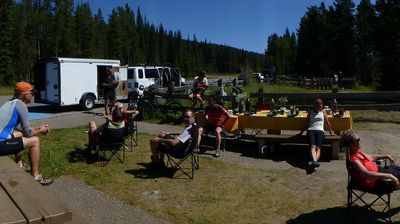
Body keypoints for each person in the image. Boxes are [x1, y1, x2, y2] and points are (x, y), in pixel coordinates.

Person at [0, 82, 53, 185]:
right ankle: (36, 176)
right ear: (25, 94)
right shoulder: (21, 105)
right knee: (35, 141)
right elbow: (28, 133)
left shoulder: (9, 103)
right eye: (31, 93)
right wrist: (41, 131)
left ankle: (19, 164)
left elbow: (22, 129)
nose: (33, 95)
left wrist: (37, 128)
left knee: (19, 134)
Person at [298, 98, 334, 169]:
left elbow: (327, 122)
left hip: (320, 131)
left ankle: (314, 161)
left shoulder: (323, 112)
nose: (318, 108)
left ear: (322, 106)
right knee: (313, 146)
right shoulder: (311, 112)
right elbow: (306, 123)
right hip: (311, 130)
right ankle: (315, 161)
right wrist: (301, 132)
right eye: (317, 106)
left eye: (320, 106)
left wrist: (330, 132)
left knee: (318, 147)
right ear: (314, 106)